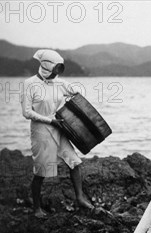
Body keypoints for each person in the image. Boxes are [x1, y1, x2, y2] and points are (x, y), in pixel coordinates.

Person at [21, 49, 93, 218]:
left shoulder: (60, 83)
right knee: (42, 171)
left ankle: (80, 198)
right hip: (41, 131)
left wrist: (69, 108)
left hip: (60, 128)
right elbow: (26, 112)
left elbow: (77, 94)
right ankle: (37, 208)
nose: (56, 75)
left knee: (75, 162)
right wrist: (50, 120)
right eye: (55, 70)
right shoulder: (29, 84)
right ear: (46, 67)